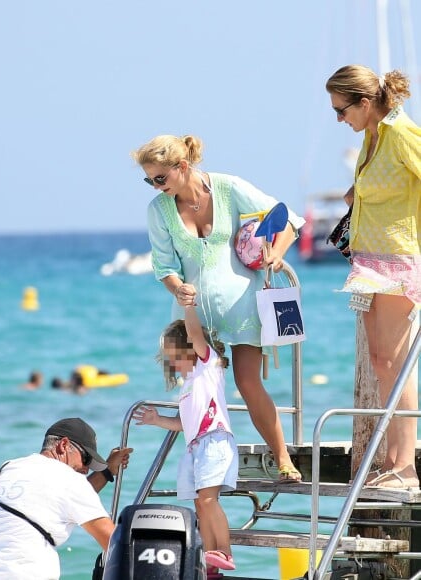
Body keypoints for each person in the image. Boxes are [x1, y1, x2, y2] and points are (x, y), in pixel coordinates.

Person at [132, 134, 306, 482]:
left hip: (242, 307)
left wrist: (276, 253)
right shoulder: (158, 210)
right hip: (191, 315)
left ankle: (283, 458)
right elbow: (164, 267)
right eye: (148, 180)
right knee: (196, 390)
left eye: (160, 178)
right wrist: (178, 288)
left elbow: (286, 218)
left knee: (247, 381)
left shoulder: (228, 187)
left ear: (182, 167)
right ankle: (203, 473)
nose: (155, 186)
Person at [325, 65, 420, 489]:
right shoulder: (372, 135)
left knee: (397, 364)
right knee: (381, 362)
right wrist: (356, 192)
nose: (339, 120)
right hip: (368, 262)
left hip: (398, 260)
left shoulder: (400, 133)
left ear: (364, 103)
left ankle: (406, 467)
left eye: (341, 111)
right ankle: (394, 460)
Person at [133, 294, 237, 575]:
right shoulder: (189, 384)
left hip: (214, 441)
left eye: (176, 357)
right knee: (198, 503)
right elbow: (184, 423)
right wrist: (157, 420)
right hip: (196, 445)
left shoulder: (207, 366)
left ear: (190, 349)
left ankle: (224, 550)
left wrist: (188, 307)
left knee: (207, 499)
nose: (174, 364)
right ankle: (212, 562)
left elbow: (193, 333)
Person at [0, 417, 133, 579]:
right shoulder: (70, 480)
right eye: (86, 459)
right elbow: (114, 543)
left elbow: (64, 498)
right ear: (64, 445)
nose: (86, 470)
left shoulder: (9, 468)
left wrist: (108, 471)